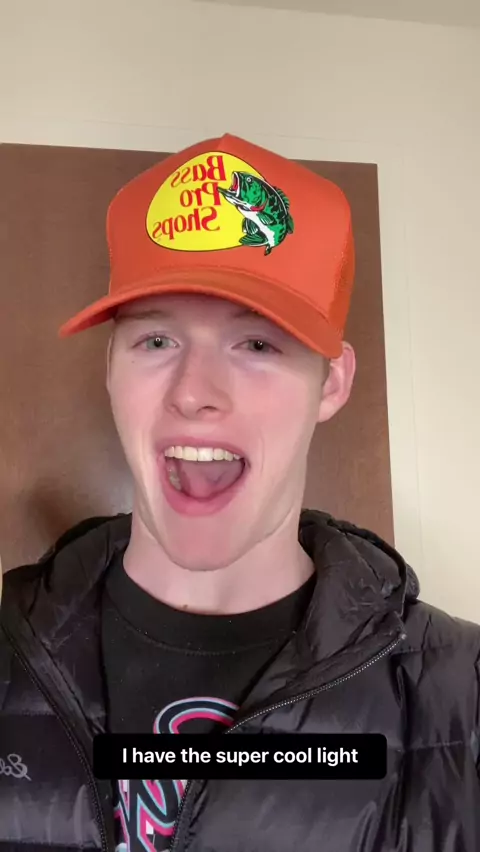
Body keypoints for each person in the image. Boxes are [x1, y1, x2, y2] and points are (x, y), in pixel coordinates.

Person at [0, 133, 478, 852]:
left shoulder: (463, 694)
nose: (194, 392)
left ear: (333, 382)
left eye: (257, 344)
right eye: (156, 341)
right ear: (111, 370)